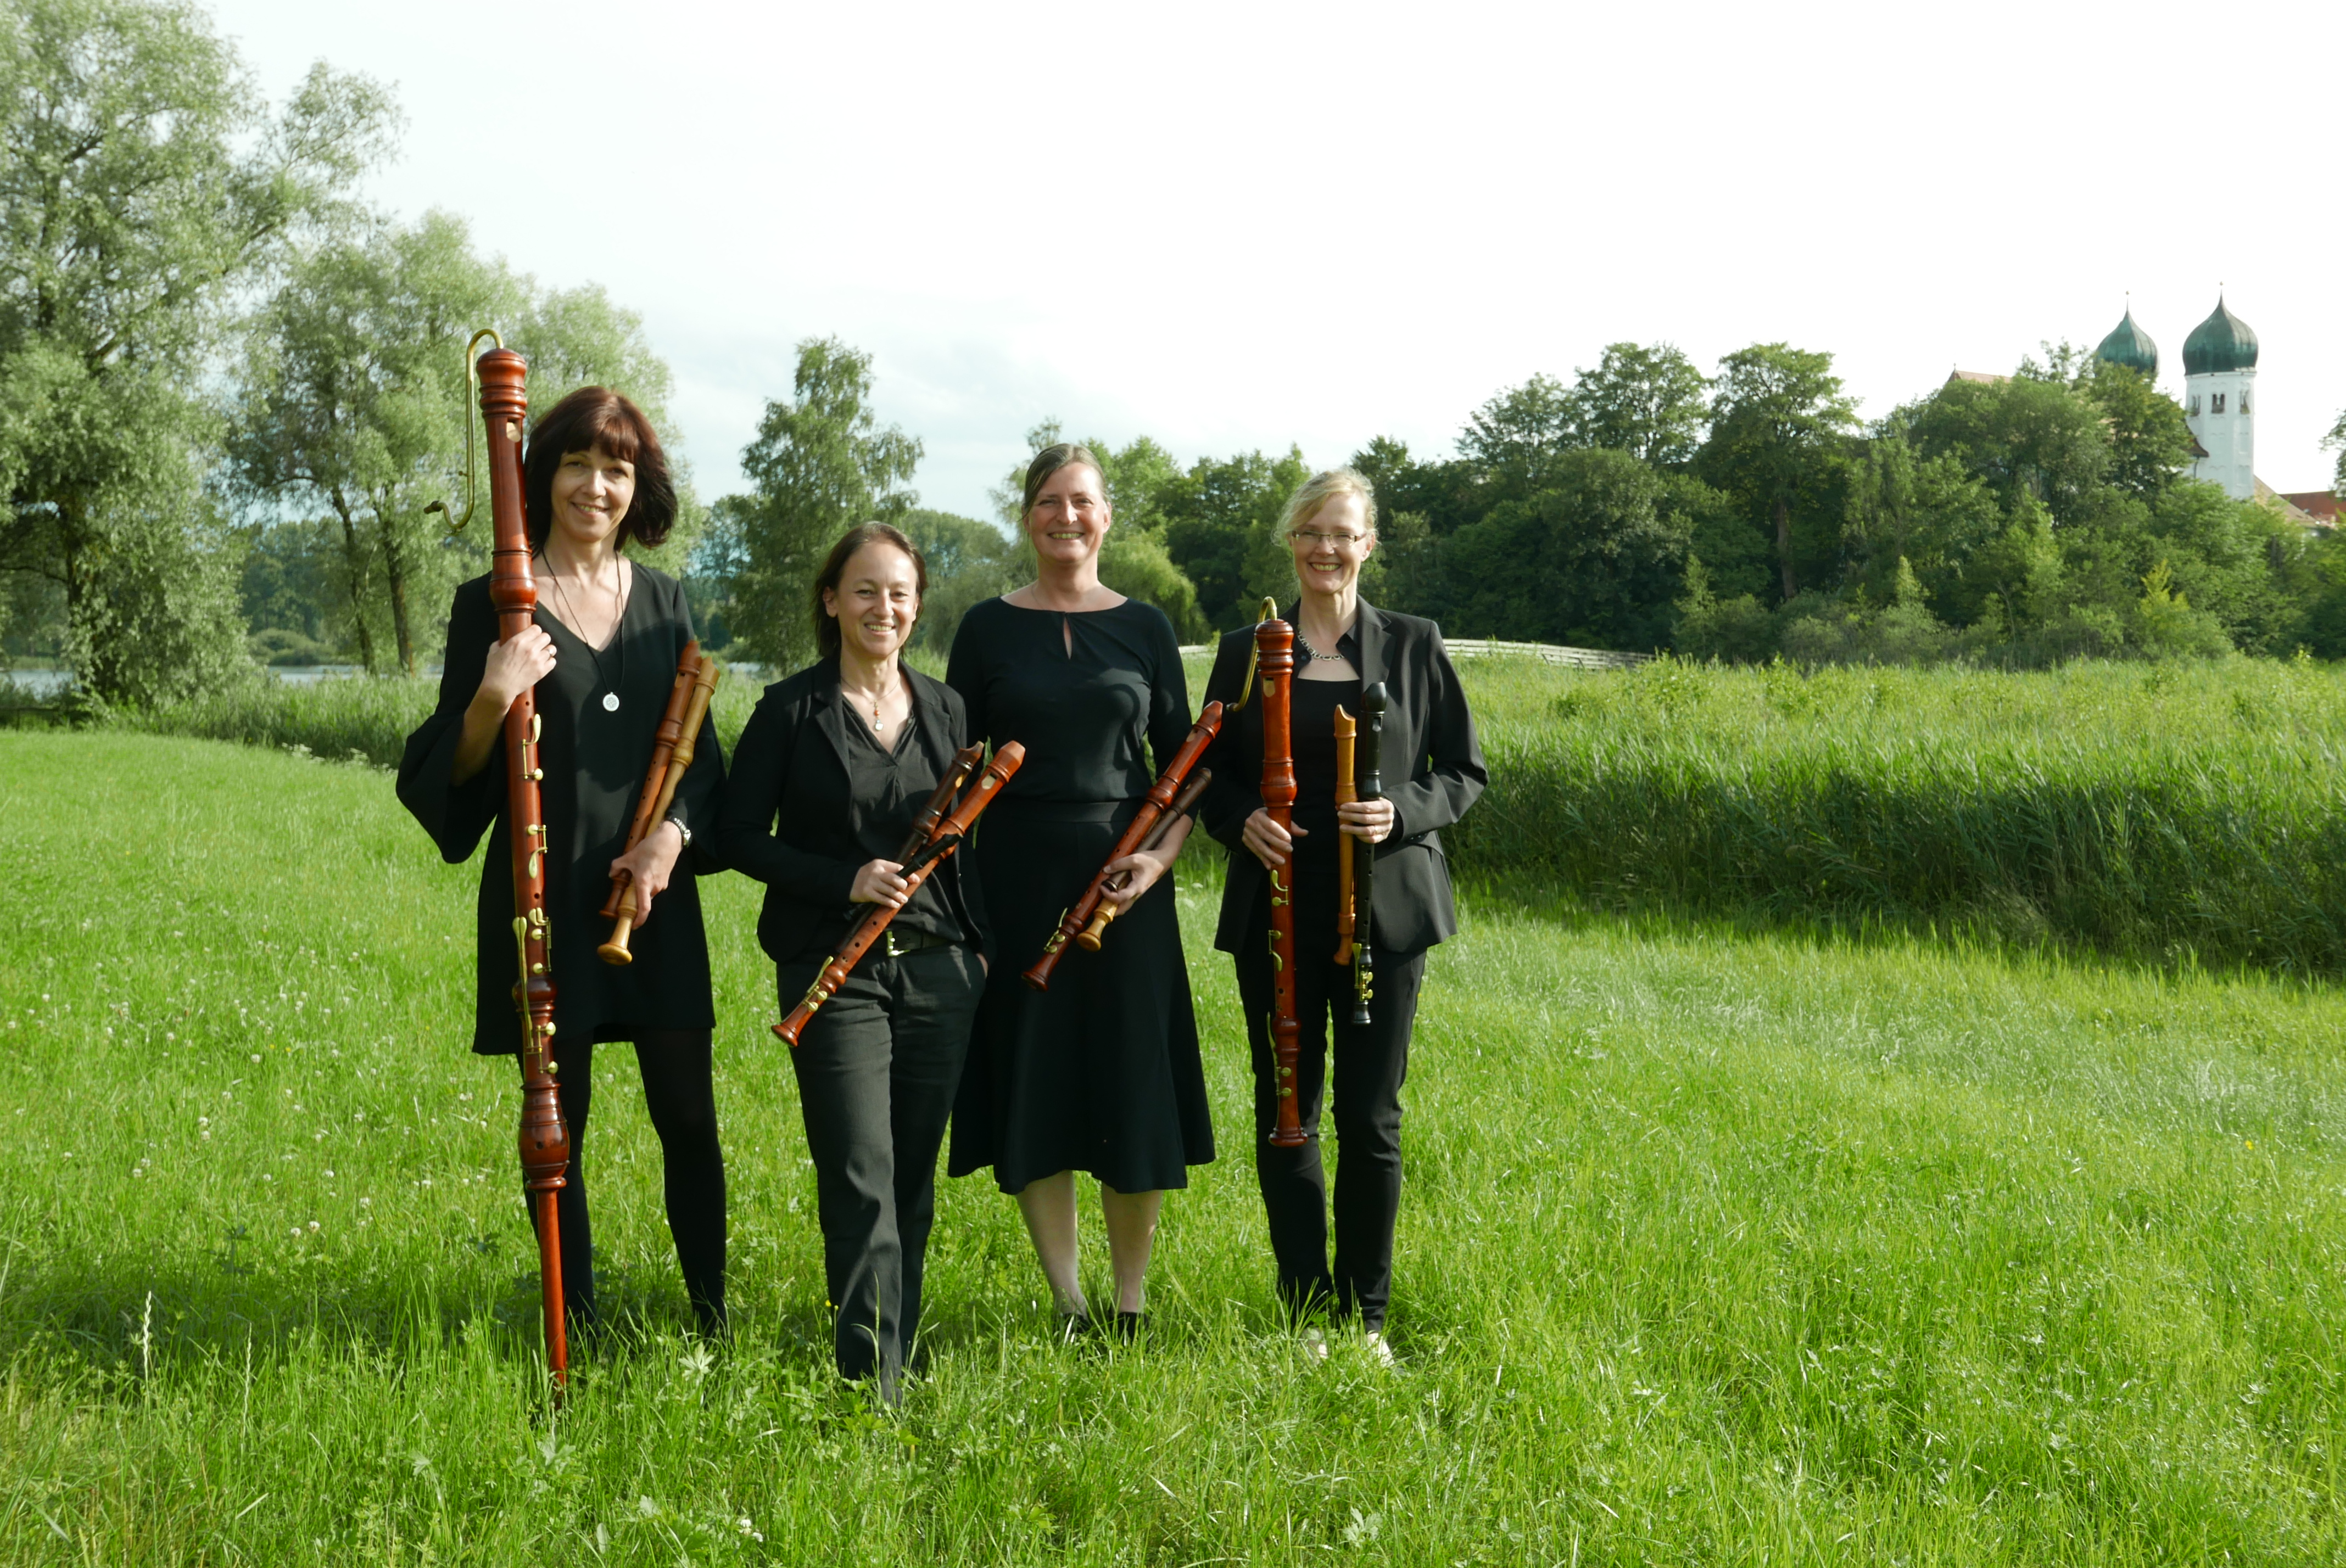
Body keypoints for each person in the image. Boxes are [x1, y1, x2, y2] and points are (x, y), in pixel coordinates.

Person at [397, 386, 728, 1336]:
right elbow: (451, 776)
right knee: (560, 1127)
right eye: (579, 464)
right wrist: (493, 695)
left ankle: (710, 1319)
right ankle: (572, 1320)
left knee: (689, 1121)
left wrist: (672, 840)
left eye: (617, 469)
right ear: (541, 475)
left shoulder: (666, 604)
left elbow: (704, 767)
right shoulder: (497, 603)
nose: (596, 486)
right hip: (544, 896)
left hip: (651, 900)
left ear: (639, 487)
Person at [1198, 468, 1485, 1359]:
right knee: (1286, 1107)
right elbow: (1206, 773)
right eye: (1312, 531)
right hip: (1277, 909)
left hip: (1385, 914)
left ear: (1369, 544)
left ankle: (1363, 1317)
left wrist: (1402, 808)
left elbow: (1464, 773)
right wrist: (1240, 816)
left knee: (1371, 1116)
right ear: (1292, 541)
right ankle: (1301, 1311)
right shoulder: (1246, 647)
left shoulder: (1414, 642)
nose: (1328, 548)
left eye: (1345, 533)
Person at [717, 523, 991, 1399]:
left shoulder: (946, 710)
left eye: (901, 593)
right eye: (866, 590)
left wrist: (979, 953)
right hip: (833, 971)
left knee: (911, 1176)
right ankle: (873, 1388)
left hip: (940, 972)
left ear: (917, 606)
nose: (885, 608)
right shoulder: (789, 711)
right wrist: (847, 879)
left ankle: (895, 1354)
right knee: (861, 1174)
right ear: (831, 600)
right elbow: (731, 840)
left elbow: (967, 849)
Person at [946, 444, 1212, 1339]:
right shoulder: (986, 628)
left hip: (1125, 880)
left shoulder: (1144, 628)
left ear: (1108, 517)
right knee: (1040, 1078)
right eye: (1051, 502)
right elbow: (955, 760)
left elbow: (1188, 765)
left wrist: (1160, 860)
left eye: (1084, 503)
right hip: (1015, 877)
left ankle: (1129, 1303)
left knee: (1129, 1080)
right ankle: (1066, 1300)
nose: (1068, 517)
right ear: (1028, 517)